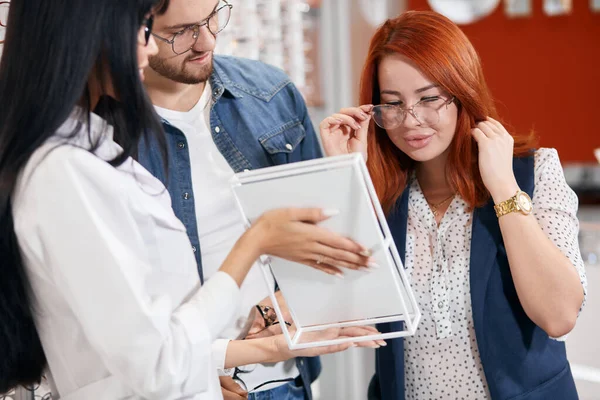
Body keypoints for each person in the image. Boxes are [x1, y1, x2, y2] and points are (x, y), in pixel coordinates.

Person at [0, 0, 381, 398]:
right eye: (155, 30)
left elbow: (151, 343)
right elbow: (154, 361)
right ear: (91, 38)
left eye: (213, 16)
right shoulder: (68, 168)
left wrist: (257, 347)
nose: (206, 40)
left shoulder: (83, 150)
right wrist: (254, 243)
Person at [319, 11, 587, 400]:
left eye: (429, 98)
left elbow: (559, 315)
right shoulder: (382, 192)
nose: (411, 120)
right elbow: (347, 318)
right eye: (392, 104)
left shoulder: (534, 171)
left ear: (462, 91)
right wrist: (349, 178)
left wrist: (503, 188)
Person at [136, 1, 370, 399]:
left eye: (213, 16)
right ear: (136, 29)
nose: (206, 40)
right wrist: (199, 374)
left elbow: (325, 242)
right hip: (173, 384)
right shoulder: (99, 133)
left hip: (284, 380)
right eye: (181, 32)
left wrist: (281, 303)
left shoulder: (271, 95)